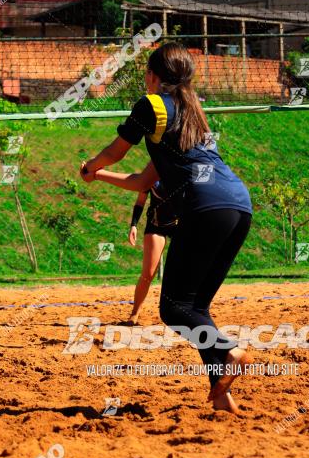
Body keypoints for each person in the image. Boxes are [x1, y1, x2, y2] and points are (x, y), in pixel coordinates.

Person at [80, 42, 253, 415]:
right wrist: (102, 175)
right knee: (196, 307)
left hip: (205, 207)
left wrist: (92, 165)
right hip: (238, 205)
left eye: (147, 72)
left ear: (154, 76)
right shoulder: (191, 112)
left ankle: (228, 350)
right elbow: (144, 180)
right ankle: (221, 393)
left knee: (174, 309)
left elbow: (116, 150)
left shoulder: (153, 104)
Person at [128, 176, 177, 325]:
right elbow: (140, 201)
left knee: (181, 270)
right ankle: (135, 313)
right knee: (148, 273)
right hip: (156, 224)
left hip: (179, 224)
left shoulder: (184, 169)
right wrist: (134, 225)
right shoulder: (152, 174)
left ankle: (183, 312)